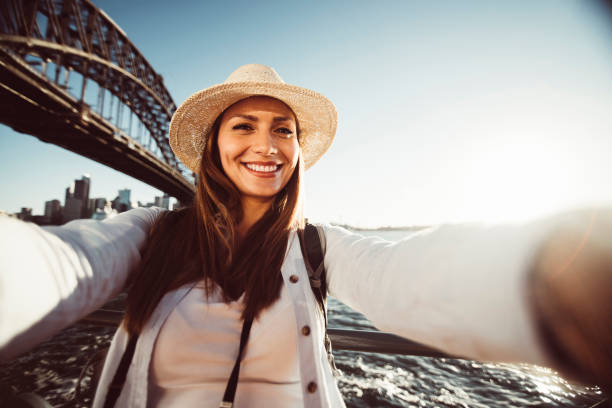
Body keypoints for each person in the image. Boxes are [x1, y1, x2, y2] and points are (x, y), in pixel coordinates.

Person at [0, 64, 610, 408]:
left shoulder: (318, 248)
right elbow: (65, 264)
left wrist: (558, 283)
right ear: (213, 145)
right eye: (244, 126)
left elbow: (405, 274)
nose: (267, 146)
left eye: (283, 131)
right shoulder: (151, 234)